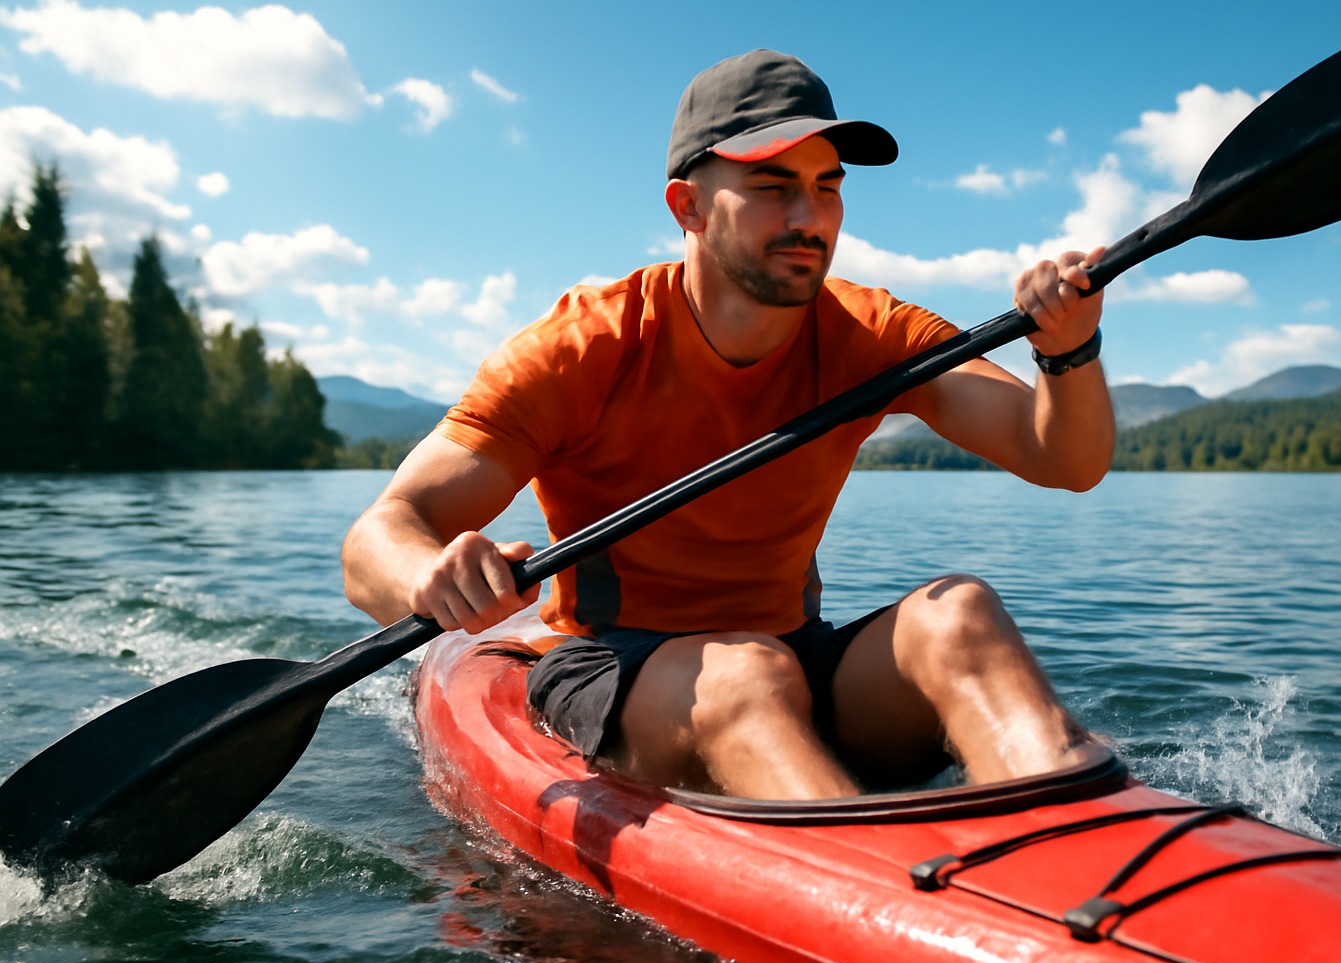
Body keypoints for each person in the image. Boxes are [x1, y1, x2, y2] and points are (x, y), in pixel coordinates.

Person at [342, 50, 1115, 801]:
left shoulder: (874, 334)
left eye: (827, 186)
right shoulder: (585, 348)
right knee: (747, 671)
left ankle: (1095, 852)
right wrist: (427, 577)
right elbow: (378, 537)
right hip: (618, 668)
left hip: (799, 656)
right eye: (773, 186)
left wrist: (1069, 349)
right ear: (689, 206)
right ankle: (856, 888)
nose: (811, 217)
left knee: (961, 614)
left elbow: (1063, 459)